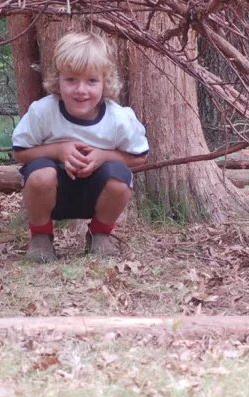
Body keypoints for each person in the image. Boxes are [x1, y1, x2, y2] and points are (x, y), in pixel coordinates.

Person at [11, 32, 150, 262]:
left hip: (96, 194)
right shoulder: (43, 112)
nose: (81, 90)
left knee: (120, 177)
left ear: (106, 82)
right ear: (58, 81)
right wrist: (57, 151)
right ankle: (41, 238)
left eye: (92, 81)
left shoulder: (118, 119)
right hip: (53, 195)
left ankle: (100, 236)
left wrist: (104, 156)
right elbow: (20, 151)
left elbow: (139, 157)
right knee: (40, 173)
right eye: (71, 80)